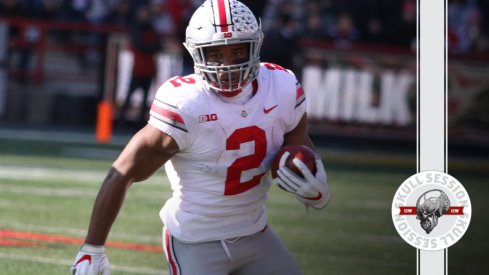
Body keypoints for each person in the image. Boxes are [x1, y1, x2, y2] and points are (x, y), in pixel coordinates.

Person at [71, 1, 331, 274]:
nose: (226, 66)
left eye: (238, 51)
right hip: (195, 241)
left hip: (257, 233)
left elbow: (300, 150)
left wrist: (317, 183)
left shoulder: (282, 86)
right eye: (215, 54)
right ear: (195, 53)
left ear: (257, 46)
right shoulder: (186, 103)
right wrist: (93, 248)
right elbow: (123, 171)